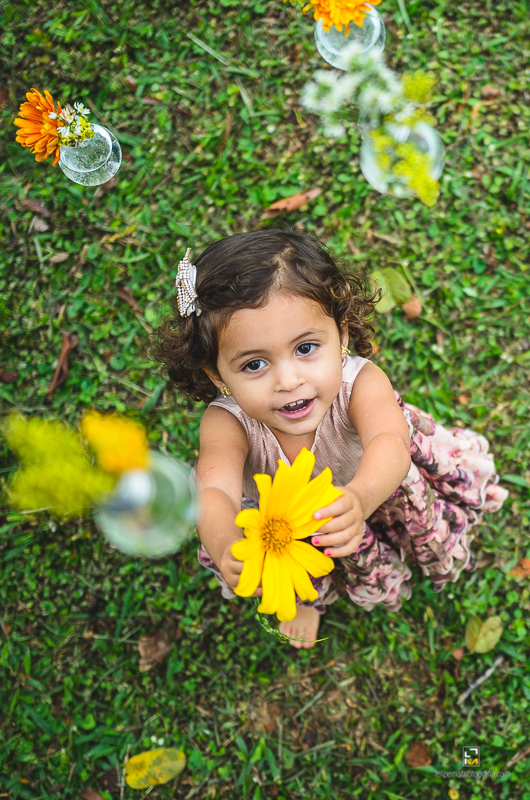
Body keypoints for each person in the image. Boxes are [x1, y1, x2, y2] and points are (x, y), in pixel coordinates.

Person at [152, 229, 508, 648]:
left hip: (372, 491)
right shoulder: (226, 423)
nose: (288, 380)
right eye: (254, 364)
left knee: (386, 531)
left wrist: (360, 497)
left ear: (342, 335)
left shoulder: (361, 384)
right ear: (217, 375)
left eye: (305, 348)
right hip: (279, 531)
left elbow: (390, 443)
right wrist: (226, 542)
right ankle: (308, 599)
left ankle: (383, 555)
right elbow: (214, 490)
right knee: (297, 565)